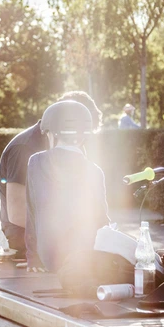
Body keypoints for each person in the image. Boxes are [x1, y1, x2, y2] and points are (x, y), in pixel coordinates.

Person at [0, 91, 102, 256]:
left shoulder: (72, 142)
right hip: (24, 242)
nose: (81, 141)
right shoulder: (24, 148)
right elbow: (16, 213)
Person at [24, 100, 110, 273]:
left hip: (48, 259)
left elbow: (32, 211)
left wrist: (33, 257)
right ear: (84, 135)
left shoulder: (36, 162)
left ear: (52, 134)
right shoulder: (95, 171)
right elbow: (102, 220)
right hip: (84, 260)